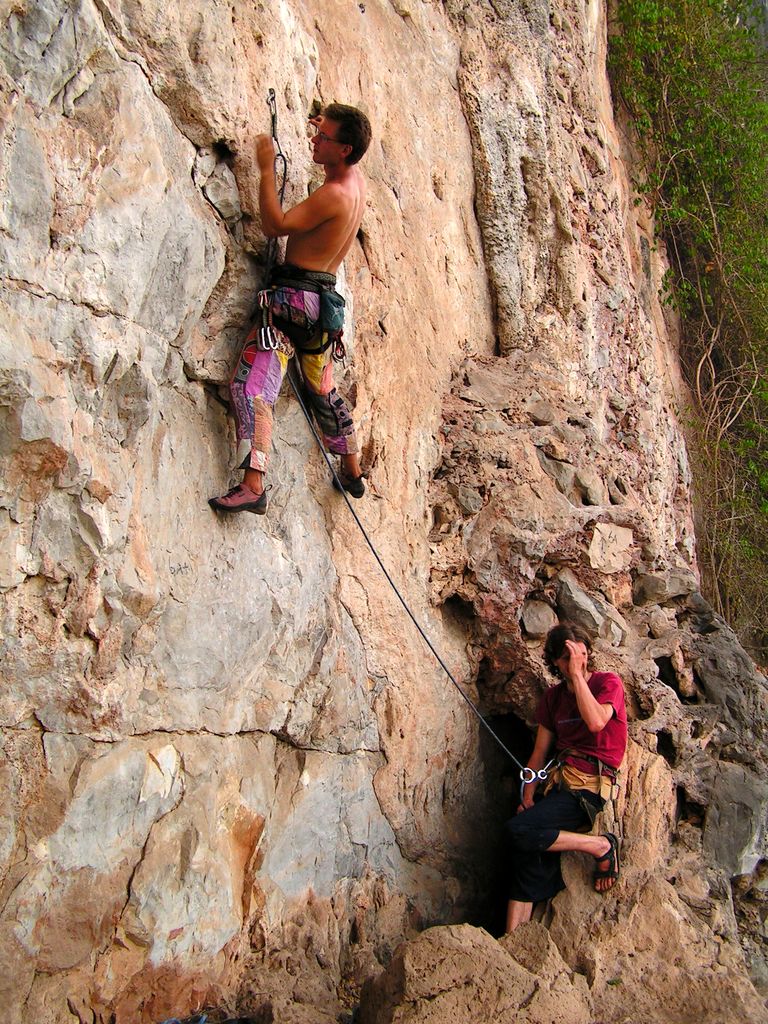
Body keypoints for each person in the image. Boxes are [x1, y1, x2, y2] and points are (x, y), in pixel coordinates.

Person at [209, 103, 371, 515]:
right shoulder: (355, 183)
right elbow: (344, 134)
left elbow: (275, 225)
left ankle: (253, 483)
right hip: (323, 309)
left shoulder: (333, 194)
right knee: (322, 389)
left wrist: (266, 170)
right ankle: (352, 469)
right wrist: (325, 122)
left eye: (324, 138)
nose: (315, 139)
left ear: (345, 149)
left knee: (252, 387)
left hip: (291, 306)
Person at [505, 621, 627, 933]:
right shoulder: (553, 699)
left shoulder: (607, 683)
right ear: (555, 662)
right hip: (558, 786)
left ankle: (601, 846)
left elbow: (598, 721)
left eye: (583, 654)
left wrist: (576, 675)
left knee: (519, 831)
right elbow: (538, 754)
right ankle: (515, 936)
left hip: (588, 789)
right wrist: (528, 797)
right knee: (523, 847)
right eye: (568, 658)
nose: (578, 661)